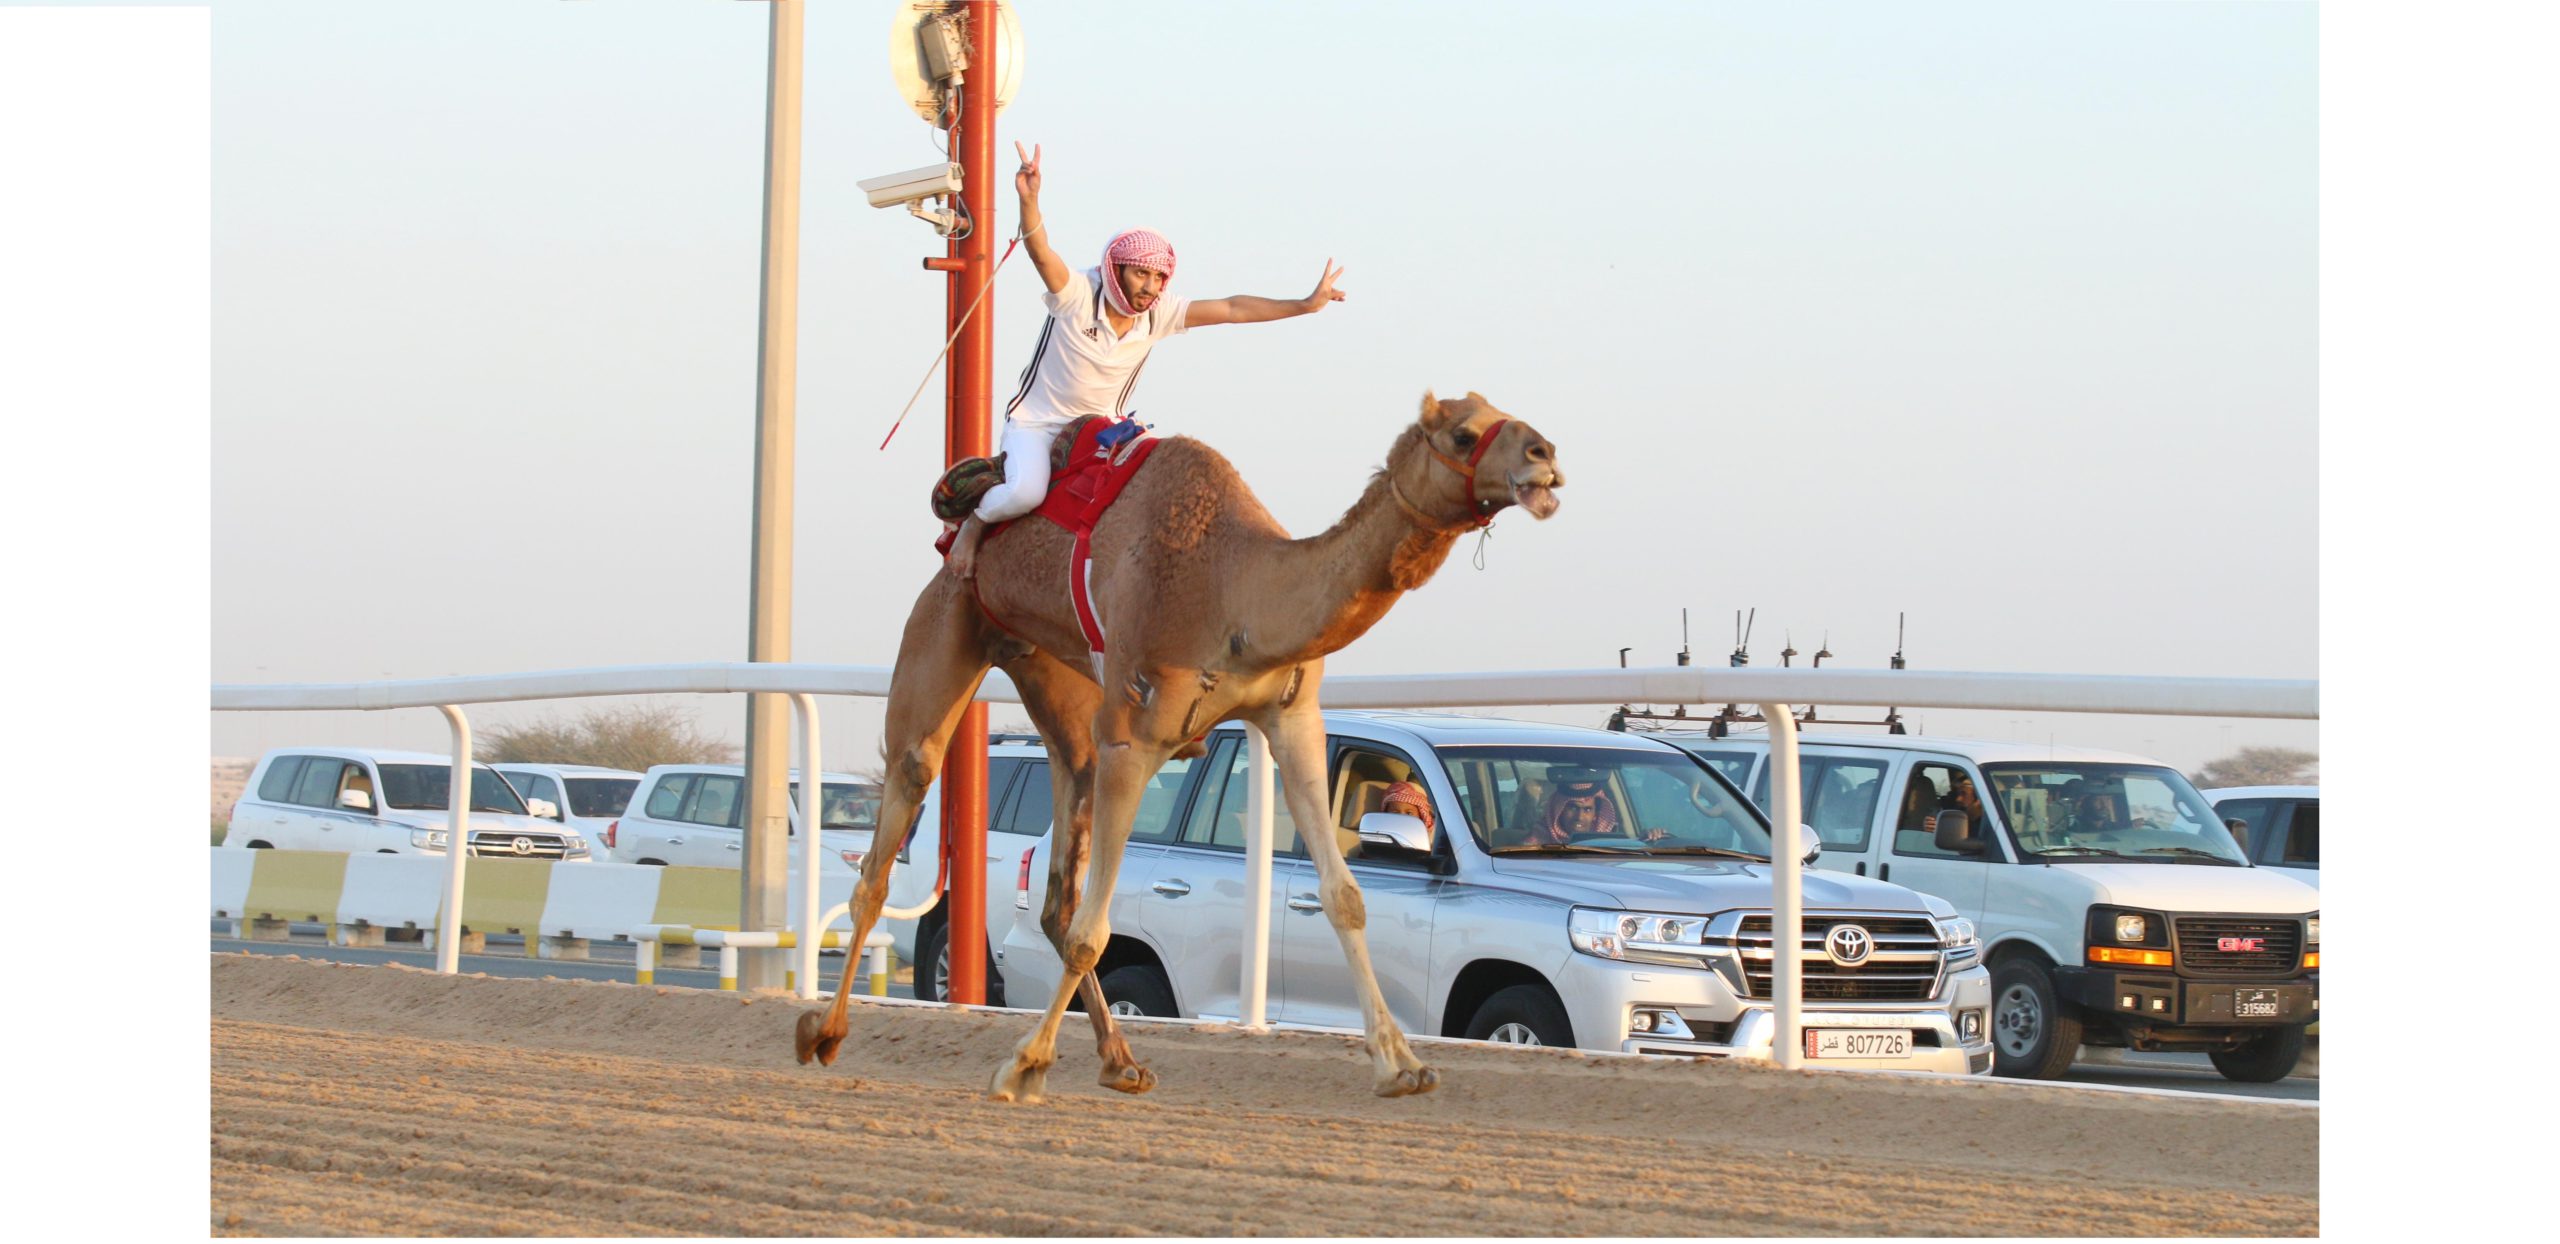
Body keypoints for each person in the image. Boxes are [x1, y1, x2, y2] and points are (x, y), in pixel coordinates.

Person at [945, 143, 1350, 578]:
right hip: (1038, 426)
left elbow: (1233, 309)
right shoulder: (1078, 294)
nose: (1151, 287)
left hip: (1102, 431)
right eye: (1141, 274)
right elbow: (1041, 251)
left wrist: (1305, 306)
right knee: (1025, 493)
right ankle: (973, 523)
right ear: (1115, 269)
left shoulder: (1160, 312)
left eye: (1159, 277)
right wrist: (1029, 200)